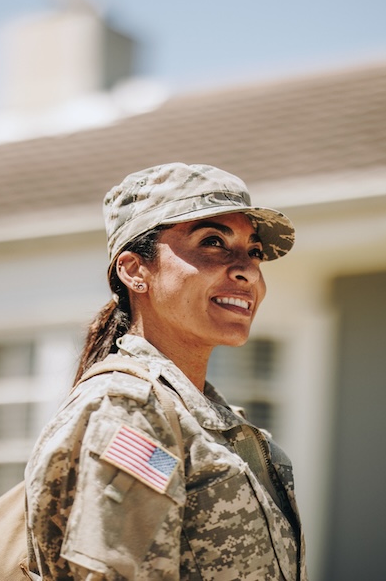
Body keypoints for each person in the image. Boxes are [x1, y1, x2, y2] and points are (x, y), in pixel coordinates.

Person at [24, 163, 306, 580]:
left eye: (255, 251)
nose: (246, 270)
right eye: (213, 242)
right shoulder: (130, 412)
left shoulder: (206, 420)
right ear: (135, 271)